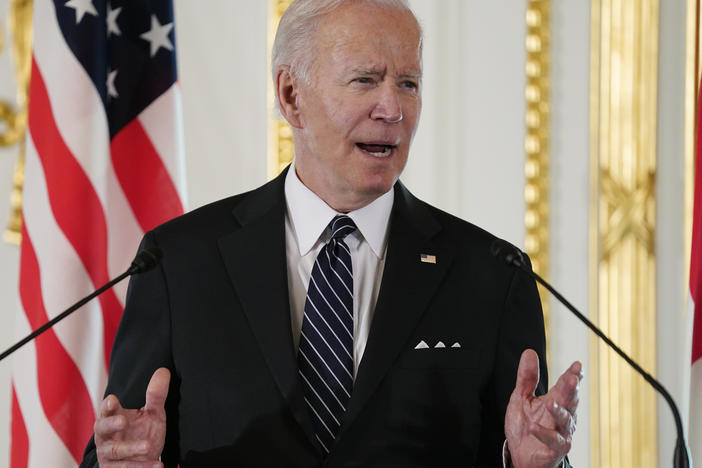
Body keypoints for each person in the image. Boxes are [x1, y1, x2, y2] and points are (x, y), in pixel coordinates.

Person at [81, 0, 582, 466]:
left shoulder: (493, 275)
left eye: (408, 83)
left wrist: (531, 464)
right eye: (365, 80)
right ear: (291, 96)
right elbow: (121, 447)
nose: (393, 109)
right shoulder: (177, 263)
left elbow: (527, 445)